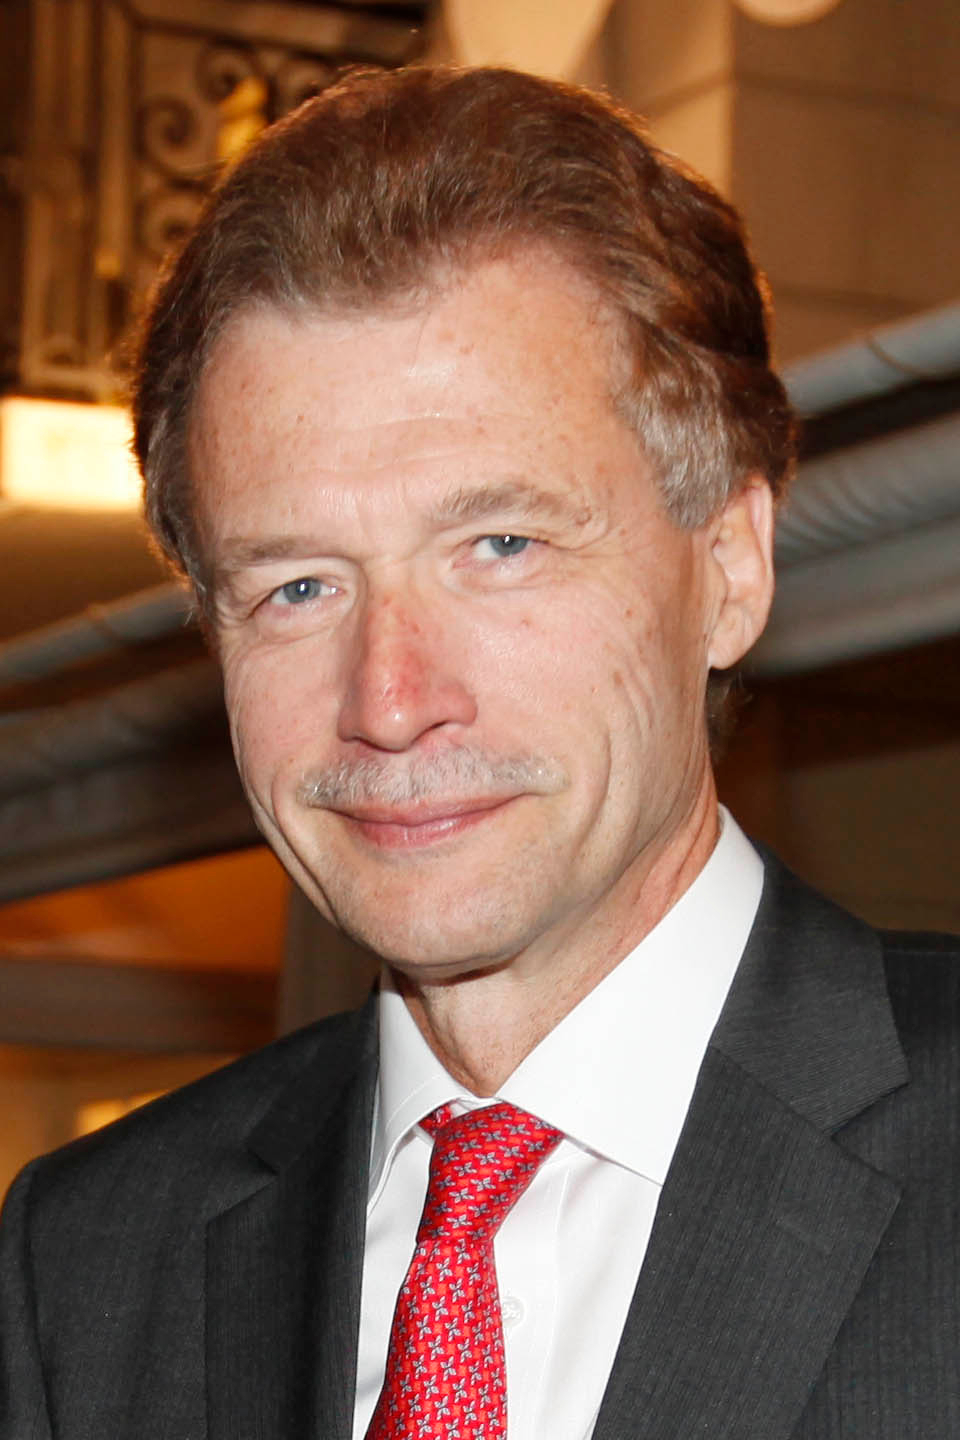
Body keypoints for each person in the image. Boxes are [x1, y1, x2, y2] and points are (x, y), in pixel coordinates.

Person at [1, 64, 957, 1440]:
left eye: (500, 545)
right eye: (297, 586)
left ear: (731, 566)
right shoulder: (88, 1263)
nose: (390, 700)